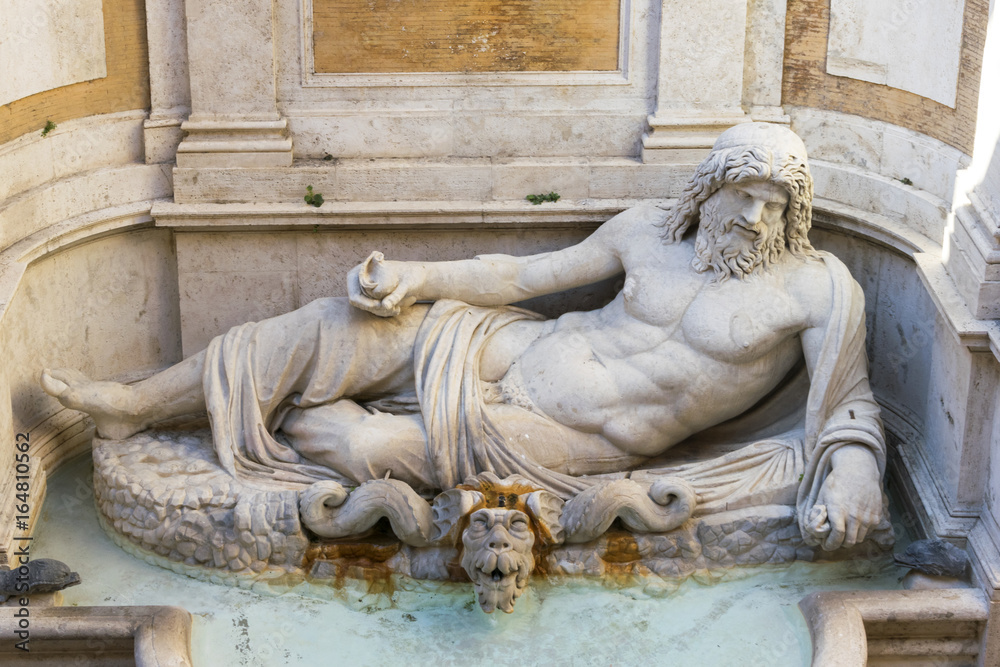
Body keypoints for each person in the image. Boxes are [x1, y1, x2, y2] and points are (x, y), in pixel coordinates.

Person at [41, 123, 885, 551]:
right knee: (331, 324)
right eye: (742, 194)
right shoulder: (649, 231)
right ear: (709, 187)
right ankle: (134, 405)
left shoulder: (815, 290)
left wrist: (853, 473)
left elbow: (849, 405)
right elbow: (522, 278)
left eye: (774, 202)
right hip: (509, 345)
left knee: (360, 445)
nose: (755, 216)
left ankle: (311, 422)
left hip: (559, 439)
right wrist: (419, 276)